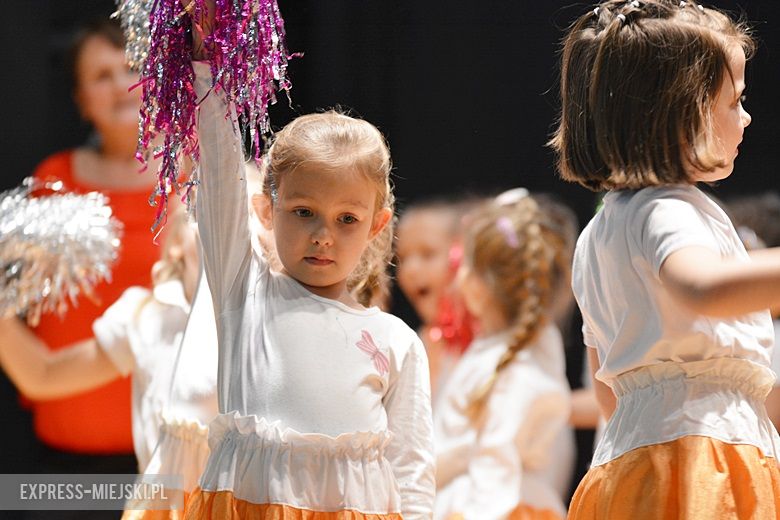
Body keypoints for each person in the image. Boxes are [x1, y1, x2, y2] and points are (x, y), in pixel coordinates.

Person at [178, 6, 435, 518]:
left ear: (376, 226)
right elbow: (222, 174)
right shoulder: (243, 292)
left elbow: (412, 470)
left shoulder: (397, 342)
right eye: (303, 212)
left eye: (347, 219)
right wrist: (207, 64)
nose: (323, 236)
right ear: (265, 211)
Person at [548, 1, 780, 517]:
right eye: (732, 101)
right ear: (683, 111)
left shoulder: (601, 230)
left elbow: (608, 388)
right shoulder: (665, 209)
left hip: (632, 459)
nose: (745, 117)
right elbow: (706, 287)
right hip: (699, 456)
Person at [0, 18, 161, 503]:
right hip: (64, 466)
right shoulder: (53, 179)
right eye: (101, 75)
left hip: (171, 459)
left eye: (132, 67)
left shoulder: (197, 183)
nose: (121, 84)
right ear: (80, 100)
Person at [0, 211, 202, 475]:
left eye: (241, 215)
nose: (224, 233)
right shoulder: (145, 318)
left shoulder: (264, 315)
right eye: (210, 210)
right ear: (177, 239)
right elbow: (41, 374)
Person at [434, 194, 572, 520]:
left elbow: (496, 459)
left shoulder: (513, 370)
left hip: (486, 507)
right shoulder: (519, 352)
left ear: (478, 286)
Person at [396, 197, 477, 401]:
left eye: (428, 254)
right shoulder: (413, 346)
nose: (410, 270)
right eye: (402, 258)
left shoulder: (493, 340)